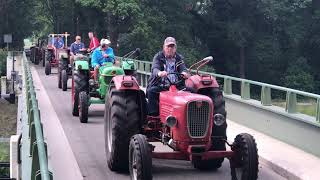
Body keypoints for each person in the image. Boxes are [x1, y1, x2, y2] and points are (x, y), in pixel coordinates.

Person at [146, 37, 190, 116]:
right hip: (161, 85)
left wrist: (184, 73)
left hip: (176, 86)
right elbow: (155, 68)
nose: (170, 49)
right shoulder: (158, 57)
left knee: (192, 91)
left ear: (175, 48)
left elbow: (183, 68)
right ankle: (154, 116)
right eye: (168, 46)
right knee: (151, 91)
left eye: (172, 46)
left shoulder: (179, 58)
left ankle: (189, 115)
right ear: (164, 47)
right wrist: (159, 73)